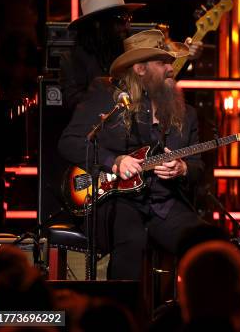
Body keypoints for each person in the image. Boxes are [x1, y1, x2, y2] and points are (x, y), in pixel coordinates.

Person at [58, 29, 205, 280]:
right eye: (163, 63)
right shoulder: (106, 98)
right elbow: (69, 142)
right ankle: (123, 315)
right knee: (132, 241)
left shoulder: (186, 112)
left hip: (163, 203)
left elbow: (199, 168)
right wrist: (113, 161)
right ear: (140, 69)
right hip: (115, 201)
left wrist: (183, 168)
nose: (171, 69)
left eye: (171, 62)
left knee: (206, 245)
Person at [62, 0, 203, 109]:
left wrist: (187, 57)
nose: (127, 26)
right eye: (121, 20)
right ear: (98, 24)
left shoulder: (131, 50)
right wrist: (118, 96)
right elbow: (74, 103)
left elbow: (160, 81)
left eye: (128, 18)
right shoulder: (72, 59)